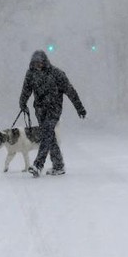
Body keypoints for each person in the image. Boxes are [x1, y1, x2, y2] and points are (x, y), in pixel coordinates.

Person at [19, 49, 86, 177]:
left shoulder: (57, 74)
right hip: (39, 110)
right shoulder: (31, 74)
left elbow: (71, 92)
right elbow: (26, 90)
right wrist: (22, 103)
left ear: (45, 62)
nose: (37, 66)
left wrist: (80, 108)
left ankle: (38, 165)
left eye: (39, 63)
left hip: (54, 109)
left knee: (47, 133)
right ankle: (58, 165)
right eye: (35, 63)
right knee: (49, 137)